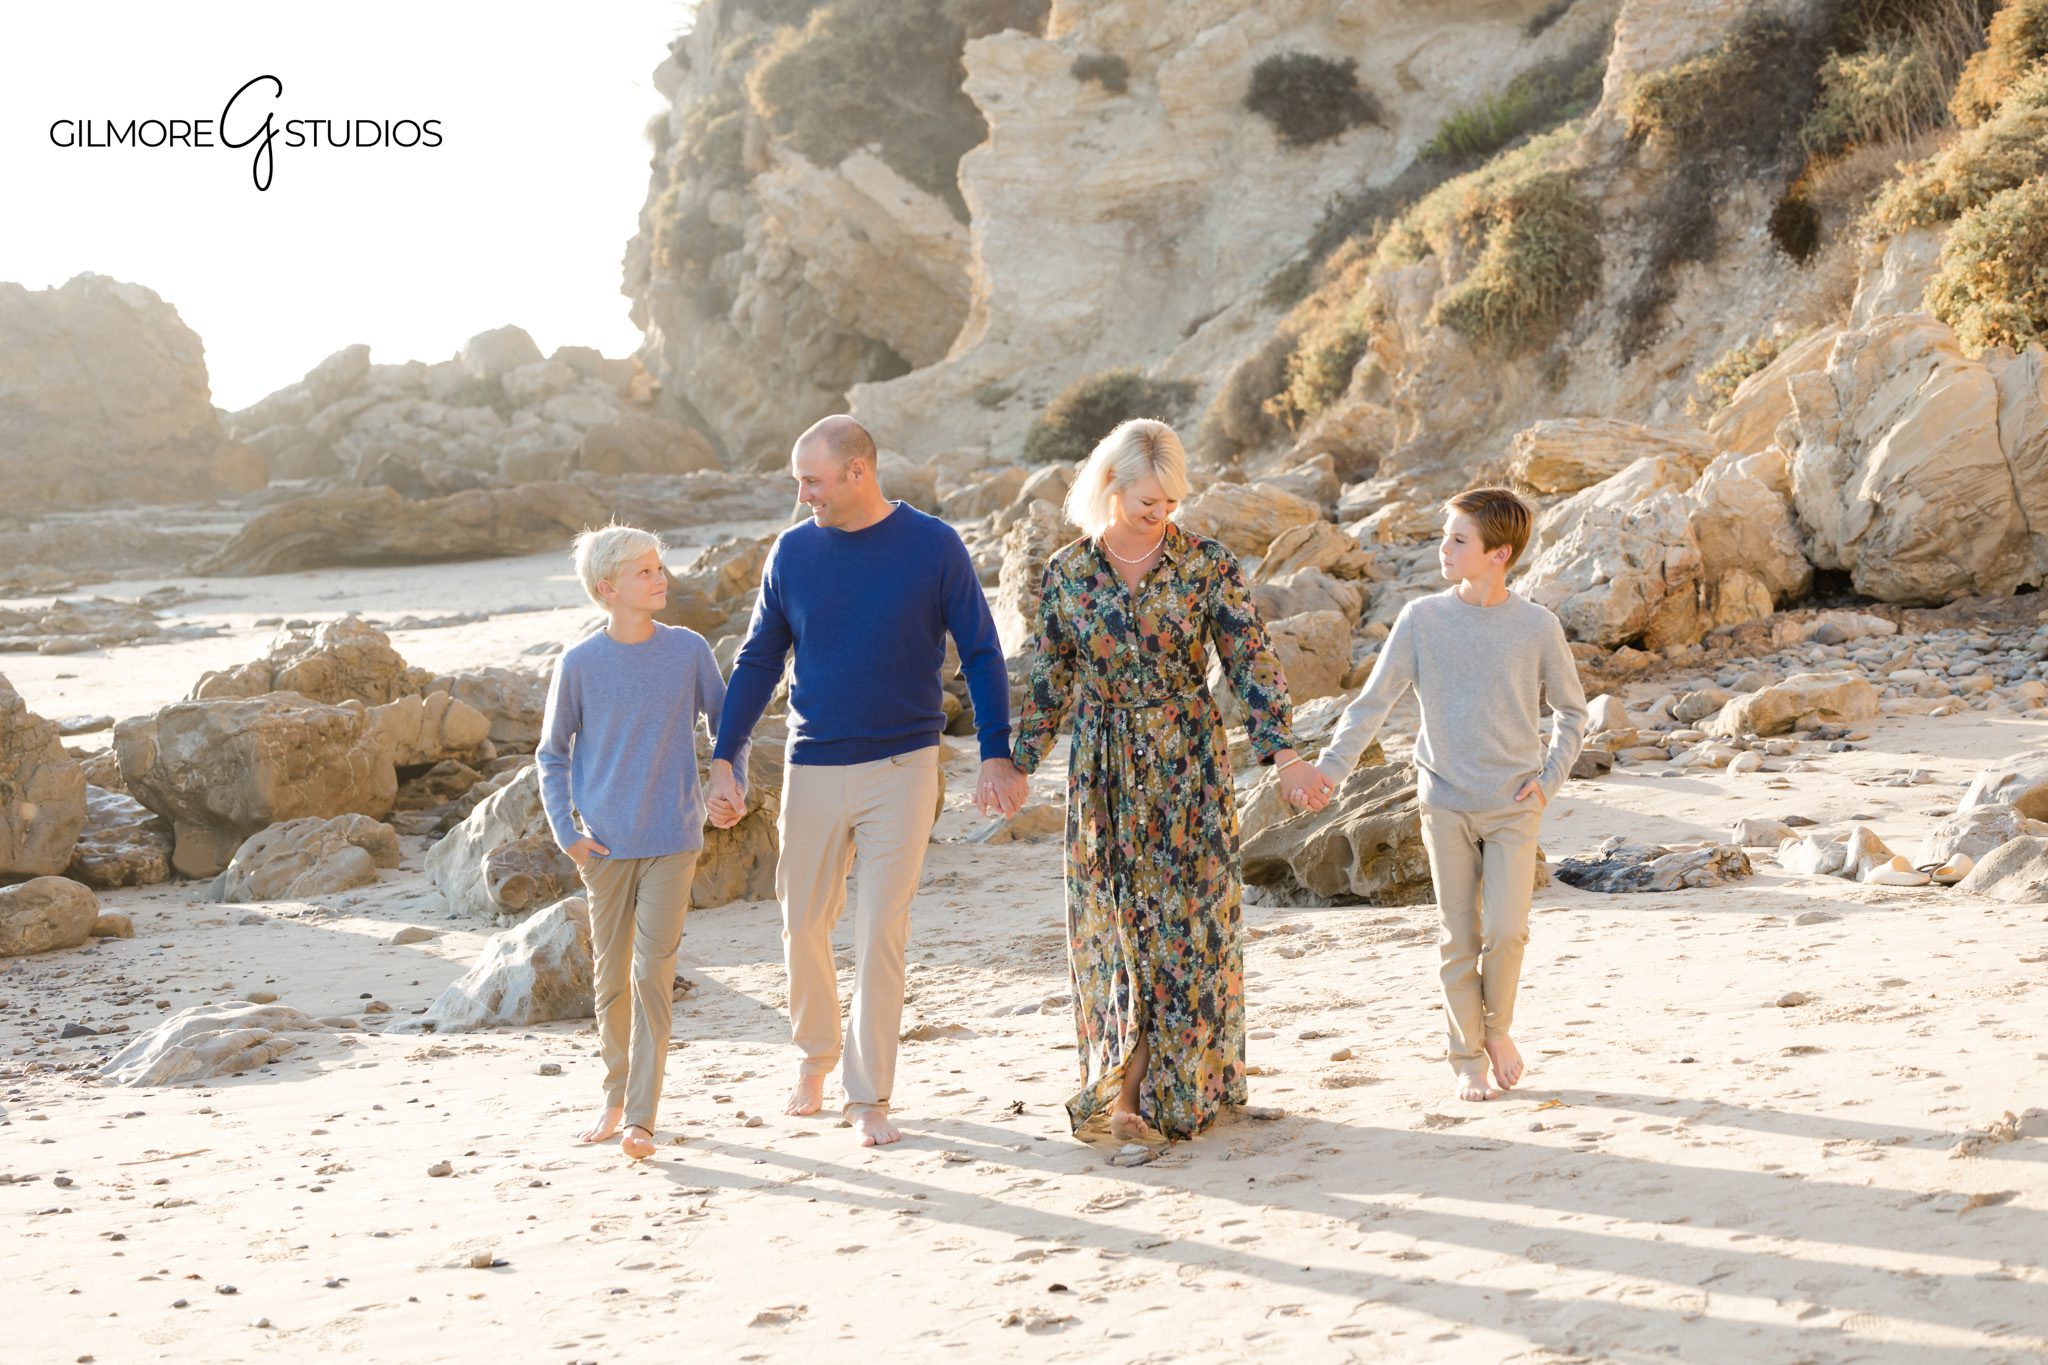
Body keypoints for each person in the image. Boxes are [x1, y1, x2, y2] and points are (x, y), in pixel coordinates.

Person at [1008, 418, 1332, 1144]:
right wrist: (1015, 761)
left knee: (1186, 932)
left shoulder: (1206, 564)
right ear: (1110, 487)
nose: (1162, 515)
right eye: (1148, 502)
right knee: (1117, 929)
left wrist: (1284, 753)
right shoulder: (1068, 573)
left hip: (1187, 764)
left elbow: (1251, 662)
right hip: (1103, 770)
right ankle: (1126, 1093)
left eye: (1171, 502)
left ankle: (1157, 1095)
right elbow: (1049, 677)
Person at [705, 415, 1022, 1147]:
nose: (802, 492)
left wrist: (997, 752)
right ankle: (815, 1054)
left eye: (811, 479)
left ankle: (868, 1092)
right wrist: (726, 754)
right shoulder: (792, 551)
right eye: (798, 480)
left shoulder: (934, 545)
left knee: (882, 927)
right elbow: (758, 659)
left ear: (858, 472)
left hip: (903, 765)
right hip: (811, 763)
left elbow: (980, 650)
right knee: (802, 922)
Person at [1314, 487, 1588, 1103]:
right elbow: (1375, 702)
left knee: (1508, 930)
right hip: (1443, 800)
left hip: (1515, 803)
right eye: (1447, 536)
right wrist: (1331, 768)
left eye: (1459, 539)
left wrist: (1548, 780)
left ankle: (1498, 1031)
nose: (1444, 548)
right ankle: (1468, 1057)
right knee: (1457, 933)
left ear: (1500, 553)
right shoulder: (1422, 620)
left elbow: (1573, 712)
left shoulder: (1538, 627)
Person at [536, 522, 734, 1161]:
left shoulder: (688, 651)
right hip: (604, 849)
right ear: (608, 588)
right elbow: (551, 754)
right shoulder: (580, 664)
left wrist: (728, 784)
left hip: (674, 839)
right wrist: (568, 833)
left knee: (653, 974)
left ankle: (641, 1119)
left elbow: (724, 726)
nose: (661, 580)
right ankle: (615, 1094)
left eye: (659, 567)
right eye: (645, 572)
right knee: (610, 979)